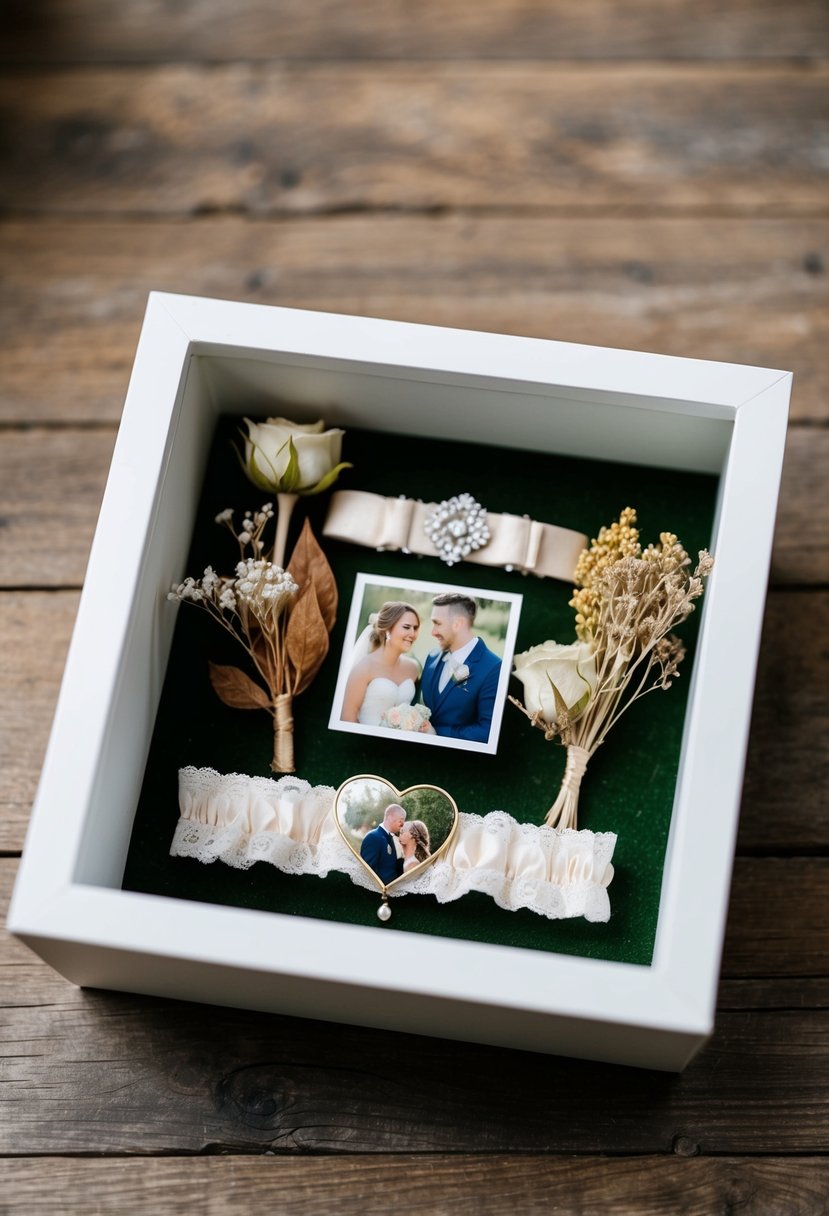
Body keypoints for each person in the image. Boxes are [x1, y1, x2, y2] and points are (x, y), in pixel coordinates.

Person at [421, 593, 502, 743]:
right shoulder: (432, 657)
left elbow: (487, 732)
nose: (433, 632)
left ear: (458, 624)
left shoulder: (494, 668)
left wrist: (437, 733)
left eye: (437, 623)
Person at [341, 601, 422, 726]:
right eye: (406, 627)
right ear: (387, 630)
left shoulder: (413, 668)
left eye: (415, 628)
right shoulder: (364, 667)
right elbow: (347, 718)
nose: (412, 634)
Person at [360, 803, 406, 884]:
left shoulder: (390, 837)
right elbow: (367, 872)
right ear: (390, 817)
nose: (403, 824)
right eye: (401, 820)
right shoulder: (373, 837)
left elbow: (388, 865)